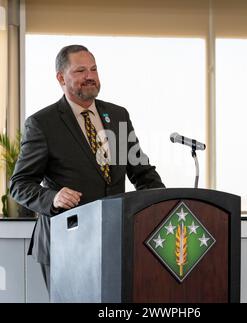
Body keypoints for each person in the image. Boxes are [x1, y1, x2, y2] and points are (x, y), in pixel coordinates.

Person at [9, 44, 165, 292]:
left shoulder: (117, 116)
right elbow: (19, 185)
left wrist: (163, 207)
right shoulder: (42, 123)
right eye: (80, 70)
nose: (90, 76)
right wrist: (53, 197)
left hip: (115, 241)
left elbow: (141, 172)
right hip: (66, 243)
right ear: (61, 78)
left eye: (93, 69)